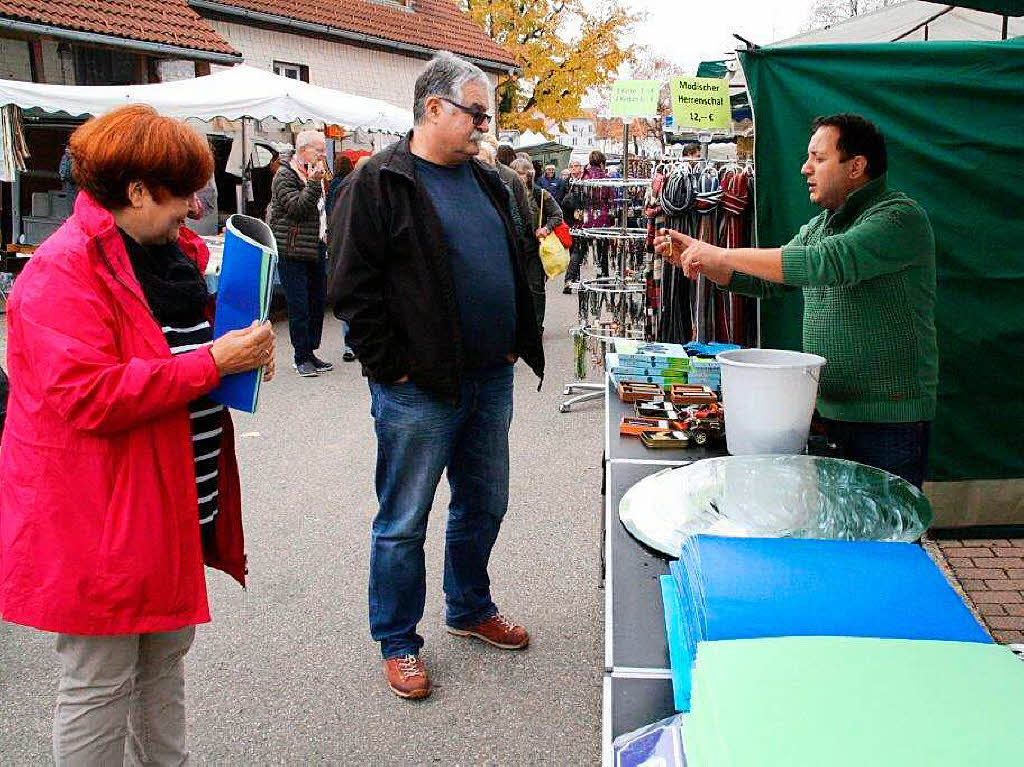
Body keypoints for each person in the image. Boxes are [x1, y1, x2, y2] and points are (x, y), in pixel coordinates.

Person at [0, 104, 275, 765]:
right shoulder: (63, 271)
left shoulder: (165, 254)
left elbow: (176, 354)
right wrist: (214, 361)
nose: (197, 207)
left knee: (162, 666)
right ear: (137, 191)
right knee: (99, 679)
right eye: (182, 191)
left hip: (170, 507)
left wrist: (240, 348)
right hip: (102, 520)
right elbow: (89, 395)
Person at [329, 51, 544, 701]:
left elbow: (523, 259)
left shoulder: (491, 182)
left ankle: (469, 605)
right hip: (416, 389)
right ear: (433, 108)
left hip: (489, 377)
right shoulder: (379, 181)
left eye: (486, 115)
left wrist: (516, 338)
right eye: (475, 113)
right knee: (404, 518)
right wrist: (390, 368)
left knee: (485, 501)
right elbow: (351, 290)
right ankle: (398, 640)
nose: (483, 126)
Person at [655, 113, 937, 488]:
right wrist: (708, 264)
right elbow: (769, 283)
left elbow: (824, 263)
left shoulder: (899, 218)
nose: (805, 168)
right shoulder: (822, 224)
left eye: (819, 159)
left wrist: (721, 254)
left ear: (856, 166)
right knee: (831, 533)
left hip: (889, 423)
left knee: (885, 540)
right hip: (825, 413)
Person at [269, 130, 332, 377]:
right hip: (292, 249)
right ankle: (301, 357)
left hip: (316, 246)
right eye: (318, 150)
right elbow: (297, 207)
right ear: (303, 149)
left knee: (317, 302)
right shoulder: (285, 175)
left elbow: (319, 210)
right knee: (300, 305)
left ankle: (311, 352)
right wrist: (315, 183)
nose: (322, 155)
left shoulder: (312, 174)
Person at [510, 157, 563, 333]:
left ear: (529, 176)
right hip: (514, 248)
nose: (518, 178)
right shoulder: (506, 193)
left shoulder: (540, 194)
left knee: (536, 288)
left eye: (521, 175)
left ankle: (536, 326)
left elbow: (557, 214)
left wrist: (546, 228)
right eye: (515, 174)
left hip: (534, 248)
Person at [327, 153, 357, 362]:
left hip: (344, 246)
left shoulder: (335, 186)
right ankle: (351, 345)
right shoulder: (348, 188)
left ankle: (351, 345)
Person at [583, 150, 612, 275]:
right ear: (601, 163)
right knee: (603, 247)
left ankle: (576, 275)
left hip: (587, 215)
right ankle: (603, 273)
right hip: (602, 215)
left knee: (582, 247)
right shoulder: (605, 178)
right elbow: (611, 198)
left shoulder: (584, 177)